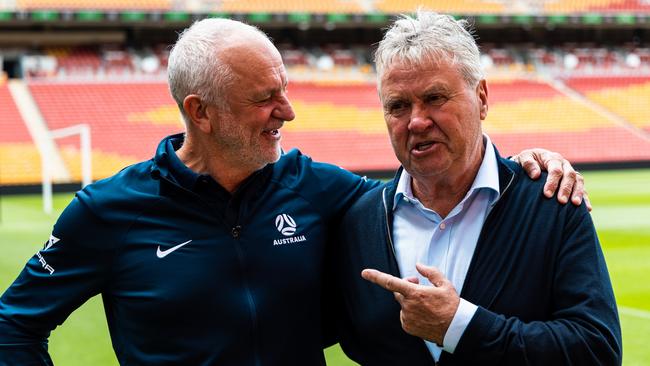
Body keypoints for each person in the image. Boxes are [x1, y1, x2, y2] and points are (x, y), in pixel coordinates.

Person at [0, 18, 586, 366]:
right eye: (265, 98)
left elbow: (426, 186)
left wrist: (528, 164)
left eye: (283, 89)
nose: (289, 111)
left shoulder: (323, 191)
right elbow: (14, 324)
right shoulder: (107, 212)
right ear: (200, 112)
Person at [333, 11, 621, 366]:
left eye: (435, 97)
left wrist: (460, 326)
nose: (417, 121)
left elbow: (597, 352)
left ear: (482, 98)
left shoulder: (551, 202)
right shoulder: (360, 222)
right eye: (398, 106)